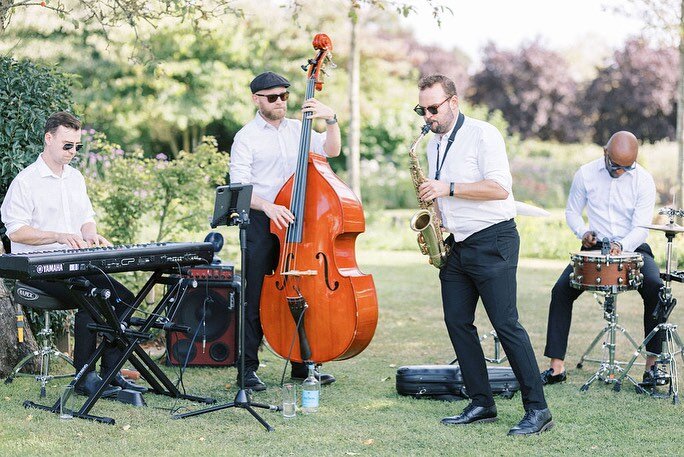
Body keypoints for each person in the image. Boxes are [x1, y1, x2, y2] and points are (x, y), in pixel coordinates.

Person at [415, 74, 552, 436]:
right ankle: (481, 402)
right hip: (458, 245)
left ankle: (538, 409)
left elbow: (498, 188)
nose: (427, 116)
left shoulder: (483, 134)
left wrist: (449, 187)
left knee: (506, 325)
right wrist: (438, 217)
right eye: (422, 109)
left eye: (433, 108)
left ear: (453, 103)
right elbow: (440, 194)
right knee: (458, 323)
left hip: (494, 240)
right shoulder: (432, 144)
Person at [0, 111, 146, 397]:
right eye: (68, 145)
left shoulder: (75, 178)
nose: (73, 152)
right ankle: (83, 377)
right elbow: (15, 232)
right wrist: (57, 235)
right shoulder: (26, 181)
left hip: (75, 263)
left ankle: (111, 375)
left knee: (124, 299)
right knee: (91, 297)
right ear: (49, 138)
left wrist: (89, 232)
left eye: (77, 146)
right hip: (39, 268)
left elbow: (85, 217)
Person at [229, 71, 341, 391]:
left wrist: (331, 120)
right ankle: (247, 368)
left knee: (301, 292)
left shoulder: (299, 130)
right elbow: (240, 187)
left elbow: (331, 151)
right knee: (255, 297)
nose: (280, 103)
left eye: (284, 96)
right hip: (263, 222)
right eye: (272, 97)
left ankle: (303, 363)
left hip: (299, 223)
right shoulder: (246, 137)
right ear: (256, 99)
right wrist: (270, 207)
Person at [541, 131, 664, 386]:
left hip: (633, 246)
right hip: (594, 245)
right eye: (615, 166)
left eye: (626, 168)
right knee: (560, 291)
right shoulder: (585, 173)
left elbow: (641, 227)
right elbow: (572, 211)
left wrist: (622, 245)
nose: (620, 172)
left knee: (656, 286)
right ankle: (556, 367)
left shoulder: (643, 180)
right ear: (605, 153)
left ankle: (652, 366)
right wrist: (583, 232)